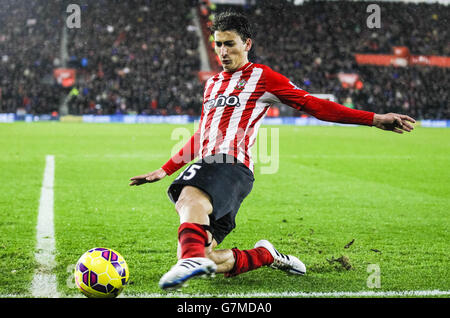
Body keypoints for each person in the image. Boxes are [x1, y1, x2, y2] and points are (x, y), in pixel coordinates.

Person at [129, 11, 415, 290]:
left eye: (230, 43)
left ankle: (190, 259)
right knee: (205, 256)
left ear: (247, 44)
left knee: (189, 196)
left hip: (231, 164)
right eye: (218, 44)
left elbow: (316, 106)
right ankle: (264, 255)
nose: (223, 51)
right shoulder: (212, 84)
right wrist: (165, 169)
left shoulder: (263, 77)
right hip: (216, 169)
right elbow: (202, 134)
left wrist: (374, 119)